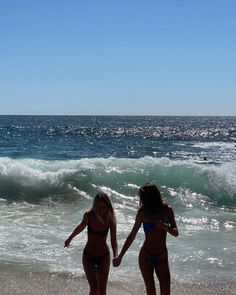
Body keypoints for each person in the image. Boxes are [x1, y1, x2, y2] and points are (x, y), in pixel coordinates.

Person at [113, 183, 178, 295]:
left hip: (162, 256)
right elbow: (132, 235)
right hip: (146, 256)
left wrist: (165, 226)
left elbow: (176, 232)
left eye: (142, 198)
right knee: (151, 291)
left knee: (166, 292)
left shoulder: (167, 210)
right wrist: (120, 256)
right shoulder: (142, 214)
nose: (141, 201)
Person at [64, 192, 118, 295]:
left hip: (104, 257)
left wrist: (116, 255)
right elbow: (80, 227)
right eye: (99, 207)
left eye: (104, 207)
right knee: (94, 289)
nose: (102, 210)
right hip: (89, 256)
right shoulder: (89, 216)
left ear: (108, 206)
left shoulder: (110, 219)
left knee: (102, 291)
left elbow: (113, 240)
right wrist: (70, 238)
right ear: (95, 206)